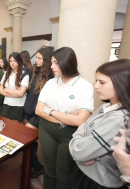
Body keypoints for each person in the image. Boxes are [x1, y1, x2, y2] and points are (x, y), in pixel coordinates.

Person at [68, 59, 130, 189]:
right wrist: (83, 135)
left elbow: (78, 151)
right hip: (88, 173)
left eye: (102, 82)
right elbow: (84, 124)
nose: (95, 86)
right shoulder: (107, 106)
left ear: (122, 84)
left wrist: (79, 136)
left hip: (97, 181)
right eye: (96, 81)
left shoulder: (118, 119)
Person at [35, 47, 94, 189]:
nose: (51, 66)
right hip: (47, 130)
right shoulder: (50, 83)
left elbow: (80, 120)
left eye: (55, 62)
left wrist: (50, 110)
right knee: (49, 171)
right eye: (51, 62)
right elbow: (38, 110)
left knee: (64, 174)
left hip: (69, 134)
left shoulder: (84, 86)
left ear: (67, 62)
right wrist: (66, 117)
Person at [23, 47, 54, 178]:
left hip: (38, 114)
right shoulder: (37, 72)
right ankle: (30, 163)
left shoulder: (51, 78)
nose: (36, 60)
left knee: (25, 139)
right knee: (32, 141)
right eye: (36, 57)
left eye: (39, 58)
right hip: (29, 110)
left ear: (46, 60)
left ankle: (37, 166)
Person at [0, 52, 29, 124]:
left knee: (15, 130)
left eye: (14, 61)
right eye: (10, 61)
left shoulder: (24, 74)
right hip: (6, 105)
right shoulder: (6, 73)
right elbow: (1, 91)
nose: (12, 63)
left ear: (19, 62)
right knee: (5, 128)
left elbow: (21, 94)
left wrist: (6, 89)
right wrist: (15, 94)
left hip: (17, 107)